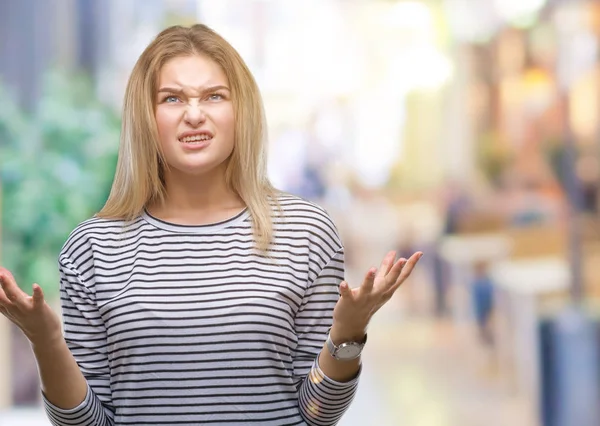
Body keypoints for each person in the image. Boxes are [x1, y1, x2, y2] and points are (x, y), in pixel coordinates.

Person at [0, 24, 422, 426]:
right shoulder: (92, 247)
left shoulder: (305, 233)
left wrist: (348, 333)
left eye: (214, 96)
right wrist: (46, 340)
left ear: (241, 110)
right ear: (146, 117)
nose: (195, 115)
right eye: (172, 99)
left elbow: (315, 415)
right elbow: (87, 422)